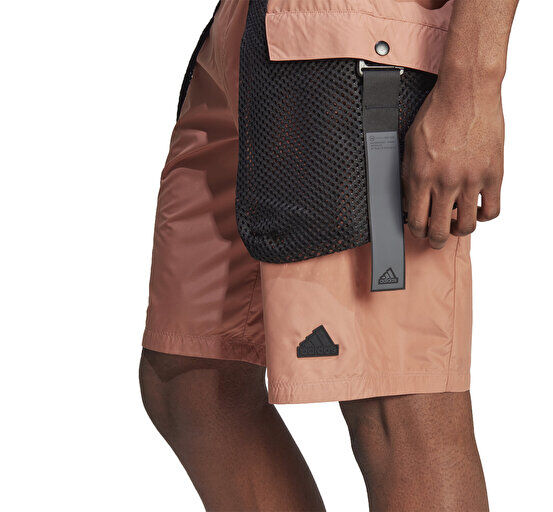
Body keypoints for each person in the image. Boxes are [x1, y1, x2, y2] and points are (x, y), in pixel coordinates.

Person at [139, 0, 518, 510]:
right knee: (192, 375)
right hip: (247, 32)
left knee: (397, 404)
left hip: (353, 45)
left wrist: (472, 85)